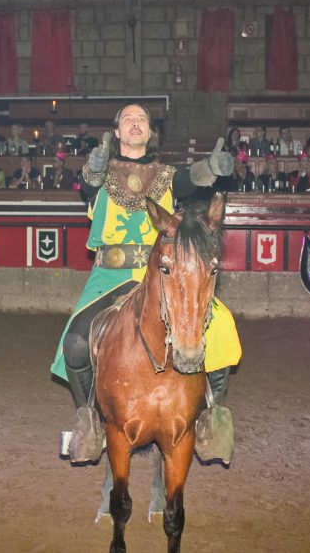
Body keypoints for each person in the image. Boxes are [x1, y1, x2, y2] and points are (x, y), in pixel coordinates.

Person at [50, 103, 241, 461]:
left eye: (141, 119)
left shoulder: (166, 175)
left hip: (165, 273)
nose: (135, 124)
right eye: (127, 119)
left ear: (150, 132)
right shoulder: (101, 173)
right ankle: (89, 421)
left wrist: (212, 169)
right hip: (111, 275)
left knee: (222, 327)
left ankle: (210, 419)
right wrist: (92, 170)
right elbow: (88, 186)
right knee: (75, 340)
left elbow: (192, 178)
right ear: (117, 132)